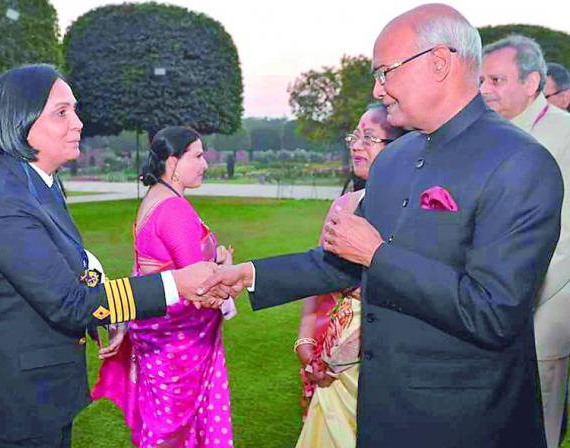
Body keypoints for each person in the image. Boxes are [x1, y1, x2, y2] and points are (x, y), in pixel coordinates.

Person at [199, 5, 563, 447]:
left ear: (439, 62)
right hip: (380, 413)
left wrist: (378, 255)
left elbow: (493, 311)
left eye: (385, 72)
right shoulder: (395, 158)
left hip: (467, 423)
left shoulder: (519, 162)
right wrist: (252, 275)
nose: (378, 88)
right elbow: (345, 261)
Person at [0, 64, 227, 447]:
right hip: (20, 405)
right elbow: (67, 303)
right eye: (61, 112)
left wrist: (107, 311)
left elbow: (67, 267)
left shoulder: (38, 184)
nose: (78, 123)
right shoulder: (6, 200)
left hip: (43, 392)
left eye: (74, 110)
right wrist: (177, 283)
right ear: (20, 120)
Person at [92, 126, 237, 447]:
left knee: (163, 427)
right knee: (172, 433)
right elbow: (201, 286)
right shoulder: (174, 209)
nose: (205, 163)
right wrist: (228, 272)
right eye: (197, 155)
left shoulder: (155, 199)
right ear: (172, 162)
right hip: (179, 345)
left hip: (158, 337)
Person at [295, 104, 403, 448]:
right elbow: (318, 275)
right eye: (355, 136)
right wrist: (306, 341)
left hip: (389, 354)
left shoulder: (416, 208)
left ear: (400, 146)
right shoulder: (344, 205)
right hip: (334, 353)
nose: (356, 145)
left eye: (369, 137)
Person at [481, 35, 570, 448]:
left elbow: (566, 240)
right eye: (480, 80)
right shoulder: (480, 133)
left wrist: (520, 300)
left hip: (543, 307)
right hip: (477, 307)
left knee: (538, 423)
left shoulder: (565, 135)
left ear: (532, 82)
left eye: (496, 80)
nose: (484, 90)